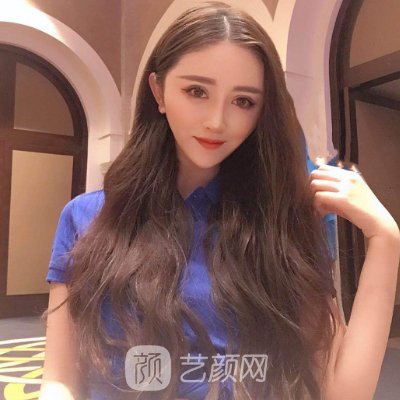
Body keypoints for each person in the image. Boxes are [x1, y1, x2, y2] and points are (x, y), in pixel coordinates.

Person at [39, 2, 400, 400]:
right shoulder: (87, 218)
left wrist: (385, 239)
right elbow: (60, 380)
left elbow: (342, 392)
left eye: (243, 101)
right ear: (158, 91)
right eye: (196, 91)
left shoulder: (281, 224)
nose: (216, 121)